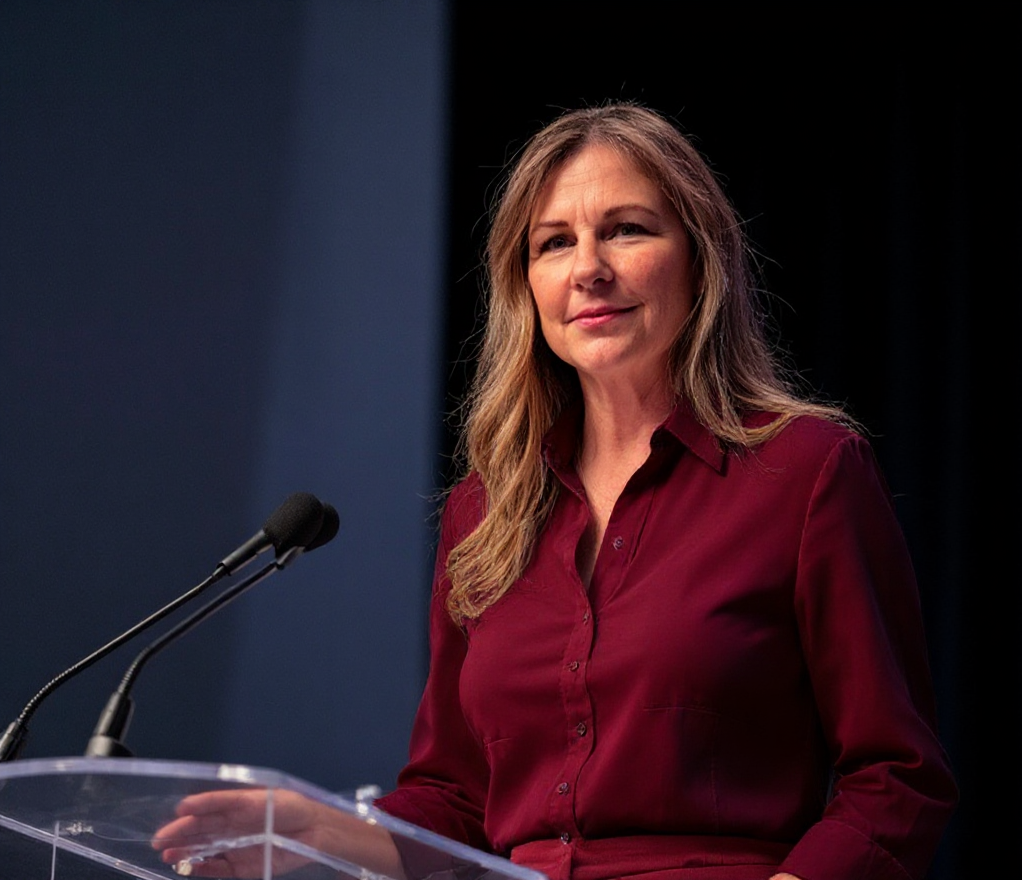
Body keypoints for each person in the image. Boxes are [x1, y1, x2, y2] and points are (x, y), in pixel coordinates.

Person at [155, 103, 956, 880]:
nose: (588, 269)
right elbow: (458, 798)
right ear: (525, 284)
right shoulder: (484, 513)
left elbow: (896, 781)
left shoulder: (806, 471)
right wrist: (326, 831)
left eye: (627, 230)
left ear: (700, 258)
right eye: (554, 243)